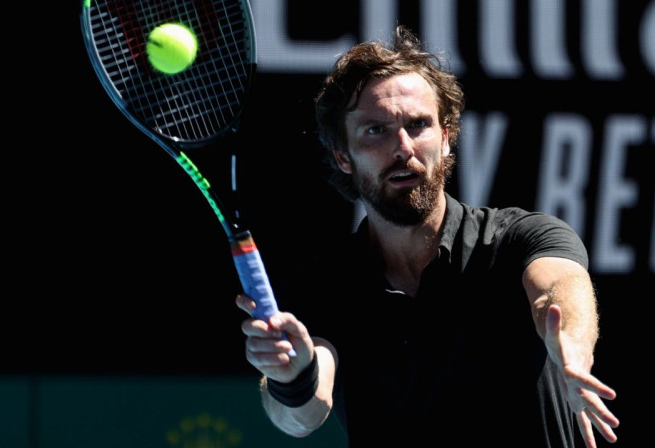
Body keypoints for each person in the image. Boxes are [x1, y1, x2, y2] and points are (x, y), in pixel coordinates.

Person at [237, 25, 619, 447]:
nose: (403, 147)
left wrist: (571, 350)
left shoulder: (521, 238)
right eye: (375, 130)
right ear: (343, 156)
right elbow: (300, 415)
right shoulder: (325, 285)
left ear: (447, 138)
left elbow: (560, 290)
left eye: (418, 125)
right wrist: (294, 376)